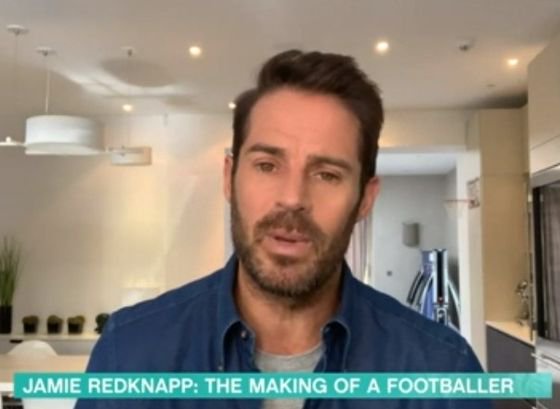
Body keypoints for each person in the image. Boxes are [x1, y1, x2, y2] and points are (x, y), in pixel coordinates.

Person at [76, 50, 490, 409]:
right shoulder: (129, 353)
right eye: (267, 166)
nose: (292, 198)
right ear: (229, 178)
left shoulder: (443, 373)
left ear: (365, 198)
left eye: (327, 174)